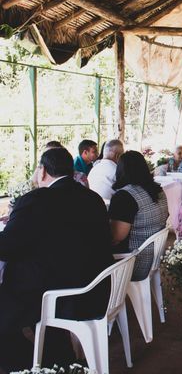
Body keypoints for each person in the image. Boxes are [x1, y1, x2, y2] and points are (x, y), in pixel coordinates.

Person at [0, 148, 113, 371]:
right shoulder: (93, 198)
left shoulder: (34, 200)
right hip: (97, 288)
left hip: (59, 295)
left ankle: (31, 365)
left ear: (42, 171)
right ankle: (58, 360)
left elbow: (6, 247)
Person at [108, 151, 169, 281]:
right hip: (154, 257)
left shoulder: (124, 196)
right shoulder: (158, 190)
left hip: (134, 262)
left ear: (121, 171)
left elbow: (117, 236)